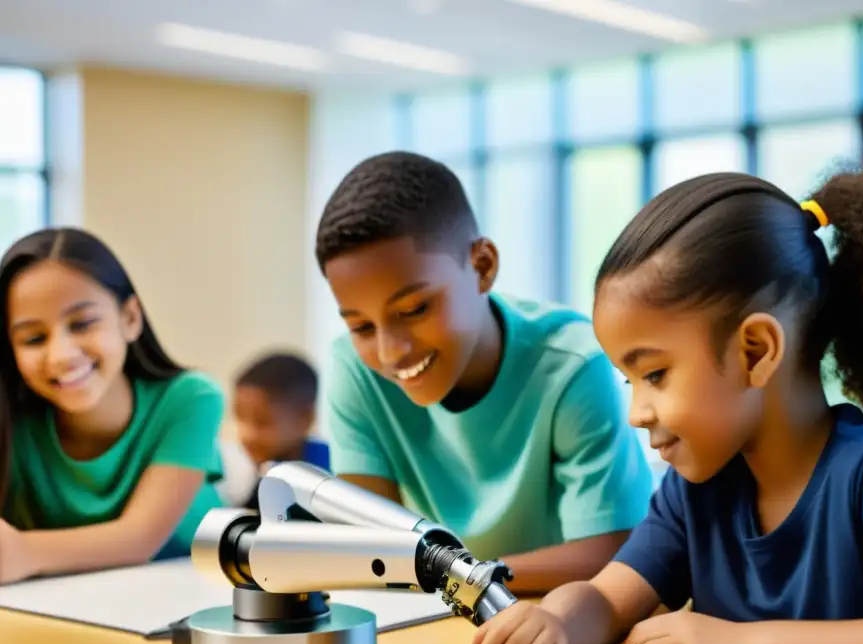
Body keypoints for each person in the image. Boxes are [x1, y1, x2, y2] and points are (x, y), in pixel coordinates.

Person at [465, 164, 863, 644]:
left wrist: (749, 643)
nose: (637, 411)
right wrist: (553, 623)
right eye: (630, 379)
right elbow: (607, 599)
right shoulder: (695, 489)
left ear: (756, 351)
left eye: (655, 374)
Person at [315, 151, 652, 594]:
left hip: (557, 617)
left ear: (482, 266)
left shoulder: (572, 364)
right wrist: (459, 579)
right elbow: (374, 552)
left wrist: (451, 575)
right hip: (438, 615)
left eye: (415, 309)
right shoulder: (354, 370)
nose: (389, 350)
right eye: (360, 325)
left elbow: (609, 552)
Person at [0, 228, 225, 584]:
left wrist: (23, 553)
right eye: (33, 338)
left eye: (83, 324)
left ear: (130, 318)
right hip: (63, 615)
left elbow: (139, 539)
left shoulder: (192, 399)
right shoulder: (12, 421)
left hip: (191, 604)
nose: (61, 356)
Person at [232, 351, 331, 509]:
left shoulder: (328, 481)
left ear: (305, 417)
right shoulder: (269, 470)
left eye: (263, 421)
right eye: (239, 417)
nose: (247, 434)